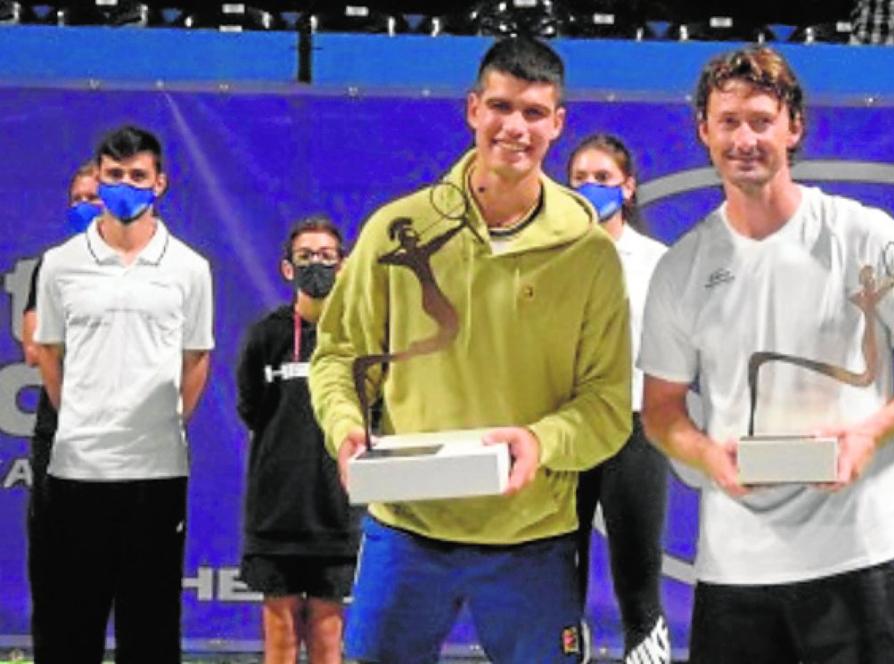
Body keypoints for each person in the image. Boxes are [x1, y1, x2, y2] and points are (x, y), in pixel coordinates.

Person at [638, 45, 894, 663]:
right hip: (735, 569)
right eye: (729, 121)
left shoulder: (862, 233)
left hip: (857, 554)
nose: (745, 138)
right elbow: (660, 410)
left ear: (793, 127)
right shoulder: (680, 268)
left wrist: (872, 431)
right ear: (703, 131)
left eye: (762, 121)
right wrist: (708, 453)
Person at [307, 36, 632, 664]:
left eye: (534, 113)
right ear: (473, 110)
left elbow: (607, 405)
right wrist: (346, 429)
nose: (516, 127)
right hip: (406, 528)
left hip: (532, 537)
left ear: (558, 124)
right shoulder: (396, 229)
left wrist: (542, 443)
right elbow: (339, 358)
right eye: (501, 107)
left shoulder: (590, 255)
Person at [33, 124, 214, 662]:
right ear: (99, 176)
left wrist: (166, 425)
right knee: (70, 628)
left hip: (157, 476)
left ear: (161, 183)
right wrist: (81, 418)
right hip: (77, 471)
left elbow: (197, 358)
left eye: (138, 175)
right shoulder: (62, 263)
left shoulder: (190, 268)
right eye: (114, 175)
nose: (124, 186)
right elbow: (49, 353)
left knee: (151, 631)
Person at [567, 134, 670, 664]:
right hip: (565, 431)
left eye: (603, 178)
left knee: (637, 573)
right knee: (561, 572)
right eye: (579, 178)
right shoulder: (548, 257)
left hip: (635, 428)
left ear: (628, 188)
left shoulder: (659, 263)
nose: (590, 188)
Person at [236, 216, 358, 664]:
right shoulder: (265, 336)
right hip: (276, 511)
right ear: (288, 268)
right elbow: (251, 407)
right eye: (305, 257)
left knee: (328, 637)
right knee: (281, 635)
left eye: (326, 257)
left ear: (343, 266)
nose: (316, 265)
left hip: (336, 510)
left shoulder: (360, 336)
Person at [20, 160, 100, 661]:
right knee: (53, 572)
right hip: (58, 437)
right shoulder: (51, 268)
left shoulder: (154, 270)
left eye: (94, 197)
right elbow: (35, 345)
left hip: (124, 443)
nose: (84, 206)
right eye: (78, 197)